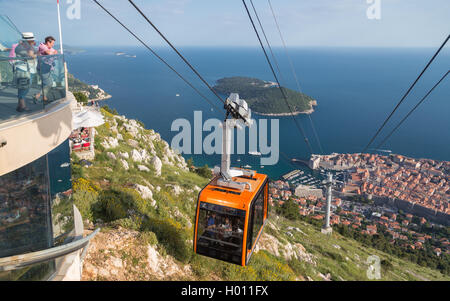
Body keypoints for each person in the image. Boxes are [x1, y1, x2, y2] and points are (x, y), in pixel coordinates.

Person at [14, 32, 38, 112]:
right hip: (22, 69)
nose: (33, 42)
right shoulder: (20, 48)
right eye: (31, 40)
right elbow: (31, 56)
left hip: (28, 69)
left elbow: (34, 53)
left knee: (24, 86)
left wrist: (35, 52)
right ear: (27, 41)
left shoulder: (28, 46)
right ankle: (23, 106)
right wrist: (36, 54)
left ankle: (19, 105)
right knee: (24, 87)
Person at [37, 36, 58, 103]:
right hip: (43, 68)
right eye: (52, 43)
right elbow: (49, 53)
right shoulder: (42, 46)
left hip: (46, 68)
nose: (53, 45)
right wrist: (52, 53)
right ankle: (38, 95)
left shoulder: (49, 47)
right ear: (48, 42)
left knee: (46, 83)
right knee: (49, 83)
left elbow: (55, 52)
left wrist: (53, 53)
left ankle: (44, 98)